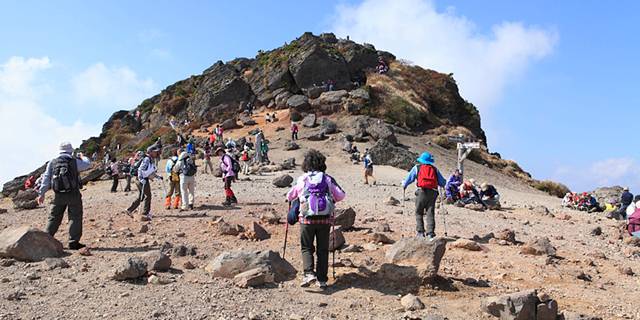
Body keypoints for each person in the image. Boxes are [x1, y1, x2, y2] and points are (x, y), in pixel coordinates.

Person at [286, 149, 345, 288]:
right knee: (322, 249)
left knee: (307, 247)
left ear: (305, 164)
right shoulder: (327, 178)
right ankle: (322, 280)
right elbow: (341, 195)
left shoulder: (302, 178)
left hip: (306, 219)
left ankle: (308, 274)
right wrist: (332, 200)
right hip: (324, 219)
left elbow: (289, 196)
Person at [37, 142, 92, 250]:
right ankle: (73, 242)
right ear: (70, 151)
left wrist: (41, 193)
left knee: (53, 217)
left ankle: (47, 239)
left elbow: (46, 179)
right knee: (75, 217)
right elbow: (87, 165)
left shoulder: (52, 162)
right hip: (73, 194)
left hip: (58, 195)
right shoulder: (74, 162)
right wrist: (83, 157)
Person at [402, 152, 446, 238]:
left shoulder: (417, 168)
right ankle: (430, 233)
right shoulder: (435, 169)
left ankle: (420, 232)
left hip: (421, 192)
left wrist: (404, 184)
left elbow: (408, 179)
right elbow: (443, 182)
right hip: (433, 193)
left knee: (419, 212)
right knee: (430, 213)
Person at [123, 146, 163, 221]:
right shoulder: (147, 159)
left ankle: (129, 209)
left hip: (139, 179)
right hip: (142, 180)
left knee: (141, 196)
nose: (156, 153)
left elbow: (150, 171)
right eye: (154, 152)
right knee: (148, 195)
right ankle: (145, 213)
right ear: (149, 152)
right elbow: (140, 169)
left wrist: (158, 177)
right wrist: (141, 179)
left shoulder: (149, 159)